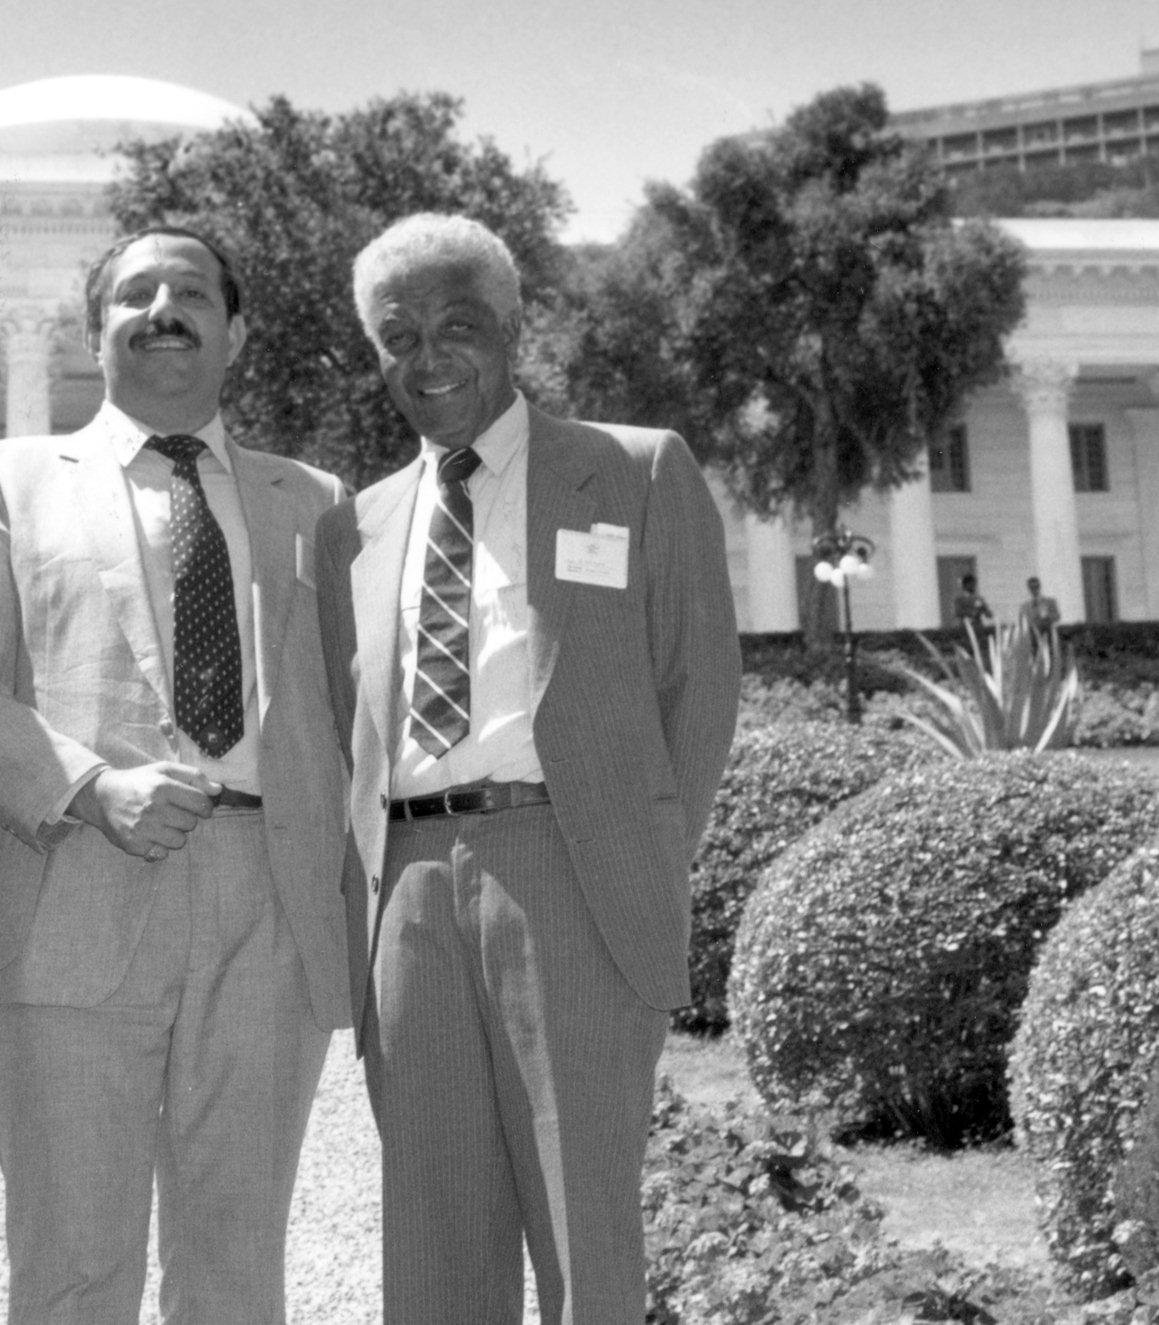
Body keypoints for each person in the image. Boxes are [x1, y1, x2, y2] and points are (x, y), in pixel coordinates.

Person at [0, 225, 350, 1324]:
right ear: (93, 329)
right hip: (76, 886)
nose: (163, 308)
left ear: (234, 332)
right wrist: (89, 786)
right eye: (133, 292)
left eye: (190, 291)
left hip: (268, 905)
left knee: (235, 1264)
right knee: (70, 1262)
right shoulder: (4, 478)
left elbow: (357, 706)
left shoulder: (314, 500)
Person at [315, 213, 741, 1324]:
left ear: (512, 327)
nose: (427, 354)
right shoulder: (350, 529)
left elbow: (696, 691)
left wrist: (629, 854)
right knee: (432, 1229)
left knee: (582, 1227)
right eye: (396, 333)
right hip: (403, 886)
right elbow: (340, 726)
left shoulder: (634, 468)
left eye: (457, 322)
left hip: (569, 868)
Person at [953, 572, 995, 645]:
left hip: (978, 628)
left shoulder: (979, 598)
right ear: (965, 585)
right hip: (965, 628)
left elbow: (989, 615)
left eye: (974, 584)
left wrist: (984, 609)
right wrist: (972, 612)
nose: (973, 586)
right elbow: (958, 612)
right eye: (971, 584)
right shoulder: (959, 599)